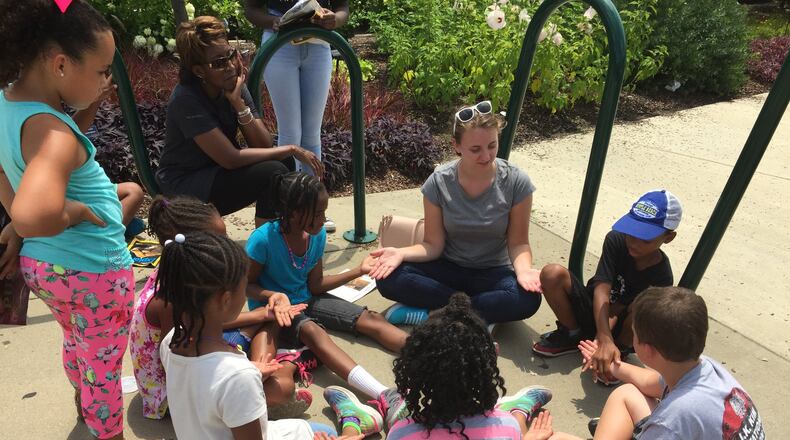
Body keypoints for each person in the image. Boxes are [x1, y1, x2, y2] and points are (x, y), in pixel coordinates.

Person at [0, 1, 134, 438]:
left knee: (79, 342)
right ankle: (106, 430)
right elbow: (34, 213)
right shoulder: (54, 134)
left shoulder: (9, 104)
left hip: (49, 268)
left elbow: (6, 169)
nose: (105, 81)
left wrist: (19, 226)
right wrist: (72, 211)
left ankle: (84, 404)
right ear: (60, 64)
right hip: (92, 268)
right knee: (104, 362)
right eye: (100, 71)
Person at [245, 172, 407, 433]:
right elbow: (246, 285)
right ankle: (384, 394)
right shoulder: (263, 239)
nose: (323, 219)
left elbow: (316, 285)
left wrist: (358, 270)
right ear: (294, 212)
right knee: (313, 332)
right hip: (279, 311)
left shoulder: (316, 235)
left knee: (372, 318)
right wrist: (273, 297)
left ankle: (432, 352)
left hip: (308, 298)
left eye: (324, 212)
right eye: (317, 213)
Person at [129, 195, 310, 420]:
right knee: (280, 389)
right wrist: (248, 371)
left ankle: (267, 369)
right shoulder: (171, 299)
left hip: (190, 357)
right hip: (173, 396)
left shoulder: (178, 273)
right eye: (218, 239)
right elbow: (179, 366)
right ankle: (271, 375)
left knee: (265, 319)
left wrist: (262, 313)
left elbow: (200, 323)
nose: (226, 244)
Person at [370, 100, 542, 327]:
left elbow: (518, 243)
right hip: (448, 268)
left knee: (528, 299)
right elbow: (433, 244)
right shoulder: (439, 181)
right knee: (388, 278)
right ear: (456, 146)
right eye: (475, 149)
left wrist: (524, 271)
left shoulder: (516, 181)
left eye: (492, 145)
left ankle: (437, 314)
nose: (486, 156)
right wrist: (401, 253)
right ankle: (477, 317)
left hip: (493, 273)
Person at [157, 231, 334, 439]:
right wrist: (245, 377)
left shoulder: (171, 340)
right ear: (225, 299)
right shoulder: (237, 376)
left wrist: (249, 373)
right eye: (243, 289)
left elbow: (201, 383)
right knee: (327, 432)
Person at [158, 16, 323, 228]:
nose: (230, 66)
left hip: (216, 173)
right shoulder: (186, 100)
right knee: (273, 170)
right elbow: (230, 159)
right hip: (185, 185)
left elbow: (262, 144)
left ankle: (270, 240)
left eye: (231, 55)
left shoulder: (232, 84)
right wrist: (291, 147)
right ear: (199, 71)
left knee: (284, 163)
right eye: (218, 63)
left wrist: (238, 104)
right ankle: (263, 247)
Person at [322, 293, 554, 440]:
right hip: (504, 421)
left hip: (409, 415)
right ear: (489, 363)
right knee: (510, 420)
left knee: (397, 407)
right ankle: (517, 410)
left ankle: (355, 421)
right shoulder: (507, 428)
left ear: (413, 371)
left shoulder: (403, 433)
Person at [553, 287, 765, 440]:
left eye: (634, 334)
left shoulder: (673, 420)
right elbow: (649, 382)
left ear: (646, 349)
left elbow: (673, 422)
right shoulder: (702, 367)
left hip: (672, 429)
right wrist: (612, 366)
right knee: (627, 393)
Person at [532, 190, 681, 381]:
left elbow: (618, 310)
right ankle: (572, 333)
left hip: (621, 327)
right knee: (552, 273)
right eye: (631, 233)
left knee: (646, 307)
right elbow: (602, 289)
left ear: (668, 238)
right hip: (595, 308)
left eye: (645, 238)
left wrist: (607, 341)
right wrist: (602, 336)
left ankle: (618, 353)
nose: (633, 242)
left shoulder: (662, 275)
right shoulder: (616, 240)